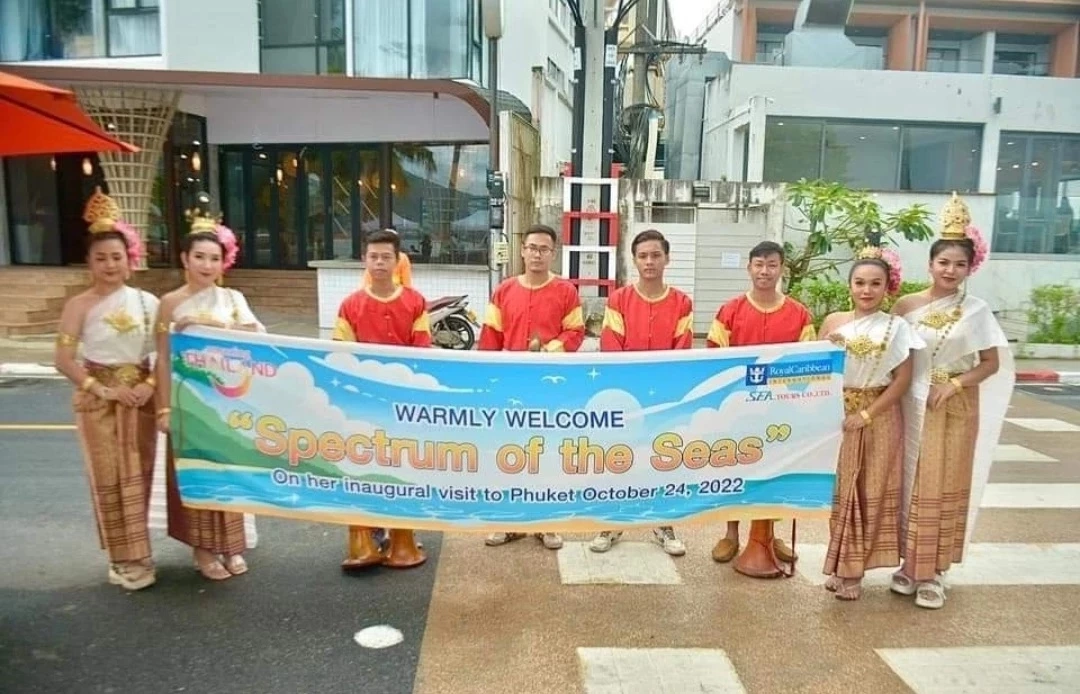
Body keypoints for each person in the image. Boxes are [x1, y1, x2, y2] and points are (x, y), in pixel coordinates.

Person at [890, 192, 1015, 610]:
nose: (950, 270)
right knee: (909, 479)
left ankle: (935, 572)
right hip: (911, 401)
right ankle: (910, 564)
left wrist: (957, 385)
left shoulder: (976, 311)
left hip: (954, 406)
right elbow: (892, 355)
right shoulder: (906, 306)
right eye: (943, 262)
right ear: (929, 264)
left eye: (959, 264)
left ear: (970, 268)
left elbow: (991, 363)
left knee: (944, 484)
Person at [153, 192, 265, 582]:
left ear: (224, 262)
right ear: (185, 259)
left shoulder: (232, 300)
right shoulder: (168, 304)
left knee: (228, 474)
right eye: (199, 256)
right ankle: (202, 550)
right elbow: (163, 358)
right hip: (189, 405)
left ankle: (231, 545)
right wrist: (164, 408)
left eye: (214, 258)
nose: (207, 265)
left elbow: (255, 336)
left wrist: (211, 326)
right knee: (197, 477)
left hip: (227, 404)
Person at [54, 187, 160, 591]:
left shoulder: (147, 302)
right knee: (109, 480)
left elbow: (162, 354)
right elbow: (63, 361)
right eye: (101, 258)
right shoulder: (77, 306)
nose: (110, 265)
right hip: (100, 402)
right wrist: (103, 390)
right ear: (89, 263)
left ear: (129, 261)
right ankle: (121, 558)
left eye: (117, 257)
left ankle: (142, 551)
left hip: (140, 402)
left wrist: (149, 385)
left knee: (140, 476)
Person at [817, 239, 927, 600]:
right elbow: (818, 371)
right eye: (860, 282)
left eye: (875, 284)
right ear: (849, 285)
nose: (867, 290)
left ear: (886, 287)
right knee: (842, 492)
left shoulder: (896, 328)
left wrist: (867, 413)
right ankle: (839, 564)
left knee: (870, 491)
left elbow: (903, 380)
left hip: (878, 416)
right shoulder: (833, 322)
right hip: (839, 416)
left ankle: (856, 572)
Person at [705, 240, 815, 577]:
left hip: (782, 410)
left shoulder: (800, 314)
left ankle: (768, 535)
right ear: (749, 268)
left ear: (781, 269)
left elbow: (808, 364)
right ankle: (731, 534)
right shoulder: (729, 311)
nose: (764, 271)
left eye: (771, 265)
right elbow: (713, 356)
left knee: (778, 472)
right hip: (737, 408)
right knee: (736, 469)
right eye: (758, 264)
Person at [479, 223, 586, 550]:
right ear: (522, 250)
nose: (537, 254)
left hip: (549, 385)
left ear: (553, 254)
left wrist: (549, 350)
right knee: (509, 452)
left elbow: (576, 332)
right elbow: (490, 337)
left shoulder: (566, 291)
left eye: (544, 249)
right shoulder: (504, 290)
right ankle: (510, 521)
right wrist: (487, 377)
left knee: (547, 454)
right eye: (531, 247)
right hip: (510, 384)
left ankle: (547, 522)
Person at [590, 229, 692, 556]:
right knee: (618, 459)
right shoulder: (619, 299)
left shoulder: (682, 302)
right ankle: (611, 523)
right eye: (643, 256)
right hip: (624, 395)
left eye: (655, 255)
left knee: (661, 459)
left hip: (664, 397)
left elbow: (682, 350)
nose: (649, 261)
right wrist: (630, 388)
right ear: (634, 260)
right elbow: (611, 346)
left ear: (666, 259)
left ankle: (663, 525)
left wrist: (663, 389)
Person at [333, 229, 431, 571]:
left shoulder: (416, 302)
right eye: (373, 256)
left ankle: (403, 539)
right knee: (360, 466)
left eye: (385, 257)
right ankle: (363, 540)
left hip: (403, 403)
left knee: (402, 467)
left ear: (397, 261)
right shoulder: (350, 305)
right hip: (361, 404)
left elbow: (422, 353)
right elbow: (340, 357)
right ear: (365, 259)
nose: (378, 262)